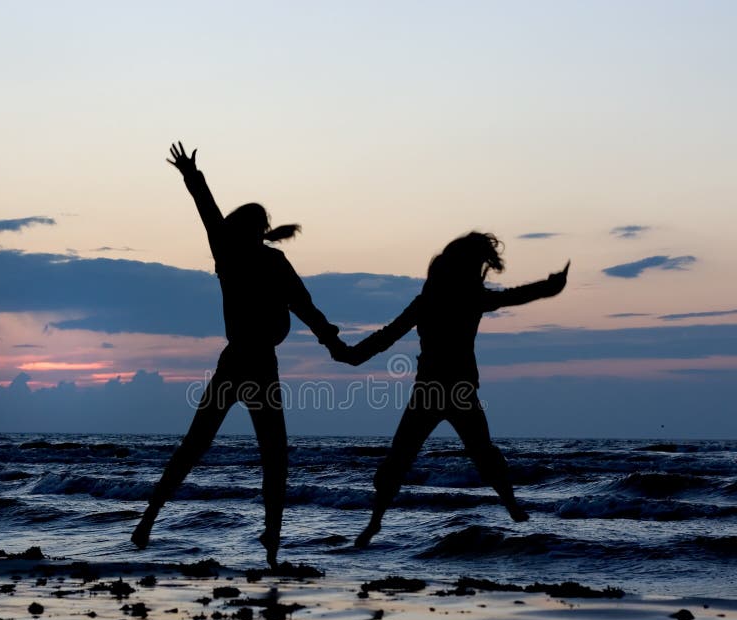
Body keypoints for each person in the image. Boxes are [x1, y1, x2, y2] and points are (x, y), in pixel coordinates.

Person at [131, 142, 344, 568]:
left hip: (236, 363)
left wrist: (193, 176)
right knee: (272, 453)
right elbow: (305, 307)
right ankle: (271, 536)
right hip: (259, 364)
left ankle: (148, 522)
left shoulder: (229, 253)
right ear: (259, 228)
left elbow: (208, 212)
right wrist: (332, 341)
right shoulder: (264, 259)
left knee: (196, 446)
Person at [332, 231, 569, 548]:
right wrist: (549, 287)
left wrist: (354, 355)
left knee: (404, 458)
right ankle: (510, 505)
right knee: (479, 452)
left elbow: (387, 335)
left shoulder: (433, 300)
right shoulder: (467, 298)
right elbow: (514, 296)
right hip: (457, 390)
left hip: (432, 390)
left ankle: (374, 524)